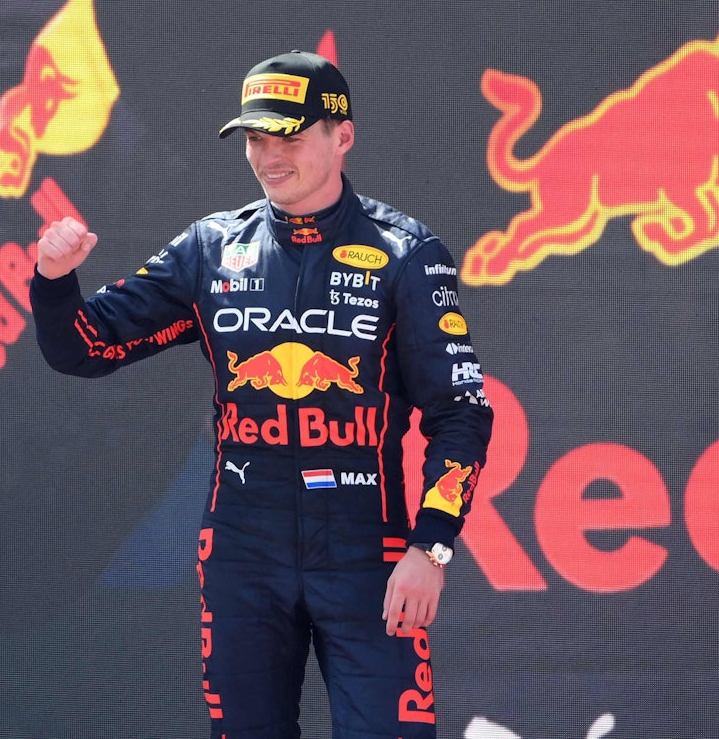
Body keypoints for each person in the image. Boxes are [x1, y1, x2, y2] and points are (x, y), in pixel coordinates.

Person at [29, 49, 494, 739]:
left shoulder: (408, 254)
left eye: (289, 138)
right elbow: (83, 348)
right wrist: (53, 279)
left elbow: (461, 413)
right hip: (243, 552)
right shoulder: (209, 250)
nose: (269, 156)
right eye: (254, 138)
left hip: (366, 551)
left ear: (342, 136)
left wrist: (430, 549)